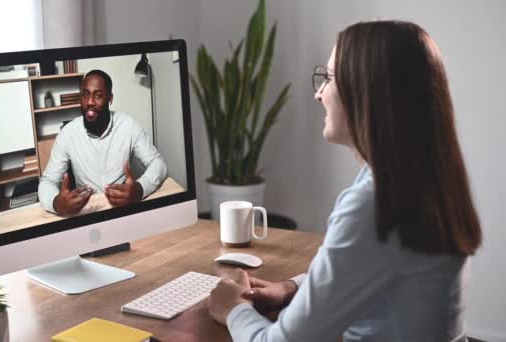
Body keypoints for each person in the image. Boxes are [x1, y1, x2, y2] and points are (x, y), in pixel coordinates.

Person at [208, 20, 482, 341]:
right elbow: (372, 265)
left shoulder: (376, 202)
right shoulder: (421, 177)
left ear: (366, 91)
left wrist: (234, 310)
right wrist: (293, 287)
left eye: (327, 78)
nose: (319, 94)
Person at [38, 69, 167, 216]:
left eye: (98, 95)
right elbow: (47, 181)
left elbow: (158, 163)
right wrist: (56, 203)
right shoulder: (67, 134)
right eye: (85, 95)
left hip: (123, 209)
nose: (90, 102)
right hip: (87, 212)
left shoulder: (128, 125)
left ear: (110, 98)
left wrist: (140, 189)